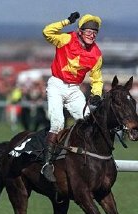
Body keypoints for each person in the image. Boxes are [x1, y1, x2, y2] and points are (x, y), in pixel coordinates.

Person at [41, 12, 103, 182]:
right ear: (80, 31)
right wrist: (66, 21)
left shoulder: (96, 54)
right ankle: (47, 164)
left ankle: (90, 160)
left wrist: (96, 94)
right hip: (56, 84)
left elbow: (97, 79)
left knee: (89, 122)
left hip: (74, 89)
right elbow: (47, 32)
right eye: (89, 32)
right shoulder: (67, 39)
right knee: (58, 123)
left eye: (95, 33)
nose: (92, 35)